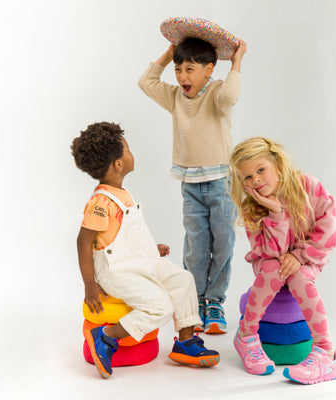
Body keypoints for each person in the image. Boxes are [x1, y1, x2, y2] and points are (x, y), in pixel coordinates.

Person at [71, 122, 220, 379]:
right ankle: (105, 336)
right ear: (118, 163)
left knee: (183, 280)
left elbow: (123, 235)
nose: (132, 153)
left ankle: (185, 342)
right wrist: (90, 284)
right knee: (160, 307)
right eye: (127, 149)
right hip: (117, 271)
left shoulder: (121, 193)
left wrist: (151, 249)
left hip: (140, 261)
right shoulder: (100, 202)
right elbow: (83, 242)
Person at [138, 36, 247, 333]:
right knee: (196, 248)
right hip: (190, 185)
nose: (182, 76)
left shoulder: (216, 93)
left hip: (222, 182)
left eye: (189, 69)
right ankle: (196, 300)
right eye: (178, 69)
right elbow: (146, 82)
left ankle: (215, 302)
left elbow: (230, 97)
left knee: (223, 243)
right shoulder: (175, 97)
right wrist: (168, 54)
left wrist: (236, 61)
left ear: (209, 70)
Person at [228, 137, 336, 385]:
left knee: (299, 276)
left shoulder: (309, 186)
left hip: (308, 258)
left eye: (261, 170)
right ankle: (246, 335)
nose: (255, 180)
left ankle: (326, 353)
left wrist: (299, 256)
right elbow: (269, 252)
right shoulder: (251, 208)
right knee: (273, 267)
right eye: (248, 177)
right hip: (270, 261)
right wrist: (275, 211)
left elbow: (329, 229)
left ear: (277, 164)